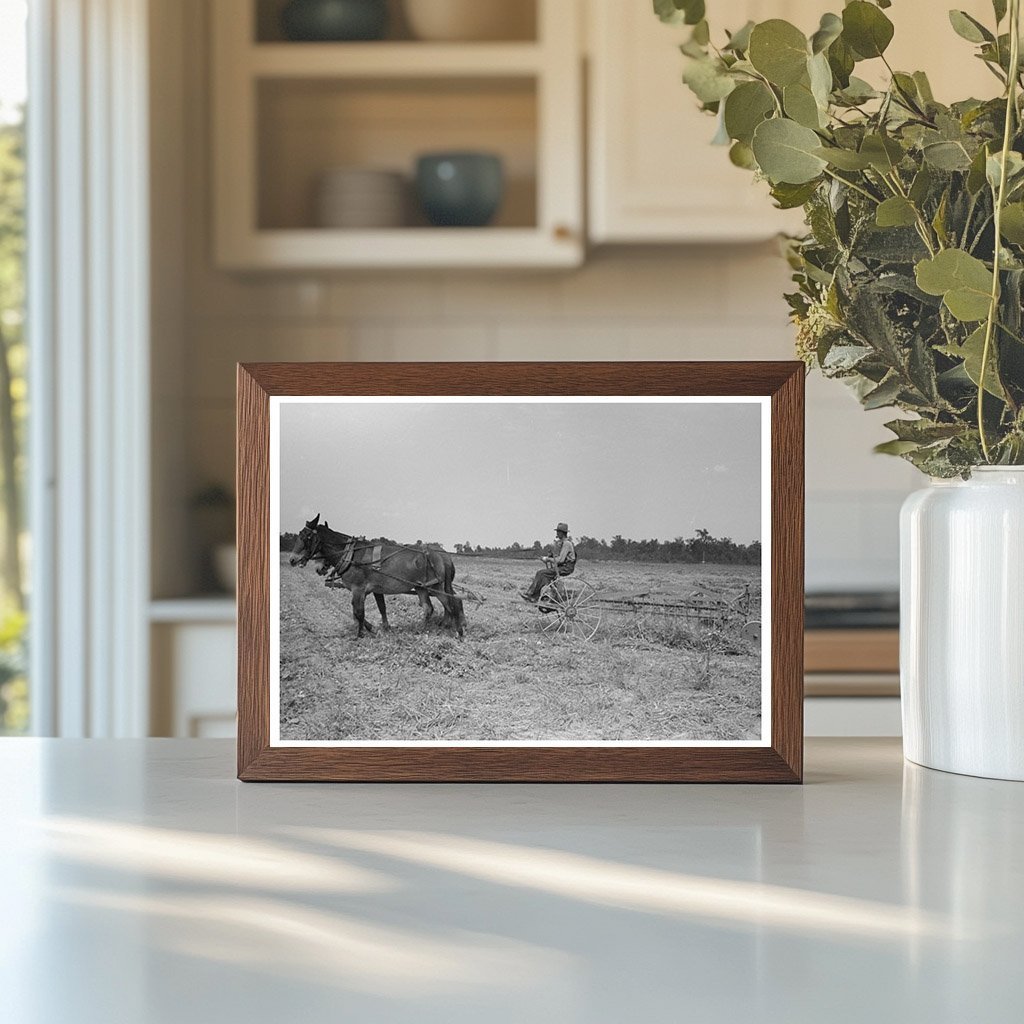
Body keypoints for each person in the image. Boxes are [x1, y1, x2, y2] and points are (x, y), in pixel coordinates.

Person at [521, 523, 576, 602]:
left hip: (566, 568)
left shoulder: (567, 544)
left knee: (541, 573)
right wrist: (547, 558)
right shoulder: (561, 543)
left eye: (558, 532)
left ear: (562, 533)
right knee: (544, 575)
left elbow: (560, 560)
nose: (556, 534)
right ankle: (542, 595)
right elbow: (556, 558)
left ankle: (531, 594)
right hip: (561, 566)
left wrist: (547, 559)